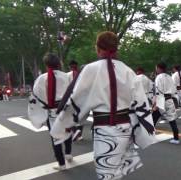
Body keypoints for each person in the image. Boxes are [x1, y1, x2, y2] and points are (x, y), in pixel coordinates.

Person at [50, 32, 156, 180]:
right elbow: (140, 103)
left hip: (105, 129)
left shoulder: (91, 69)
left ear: (98, 48)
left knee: (106, 174)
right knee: (117, 171)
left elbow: (76, 100)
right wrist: (143, 131)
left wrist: (63, 124)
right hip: (126, 127)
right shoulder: (127, 70)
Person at [28, 53, 73, 171]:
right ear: (58, 64)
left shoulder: (41, 78)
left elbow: (36, 96)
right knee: (67, 130)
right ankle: (68, 154)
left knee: (55, 136)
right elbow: (74, 93)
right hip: (66, 109)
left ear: (46, 64)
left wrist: (40, 111)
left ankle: (61, 163)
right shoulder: (67, 76)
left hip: (51, 111)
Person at [152, 62, 180, 144]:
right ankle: (176, 138)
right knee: (172, 119)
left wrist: (155, 104)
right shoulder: (169, 77)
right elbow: (174, 90)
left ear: (159, 68)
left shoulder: (158, 77)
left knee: (153, 118)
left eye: (156, 68)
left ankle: (150, 136)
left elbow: (158, 92)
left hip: (161, 100)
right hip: (169, 99)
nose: (156, 69)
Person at [67, 60, 84, 142]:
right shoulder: (82, 75)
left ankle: (75, 132)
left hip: (71, 99)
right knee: (81, 117)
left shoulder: (67, 75)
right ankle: (79, 134)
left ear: (70, 67)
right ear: (77, 66)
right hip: (81, 98)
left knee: (71, 117)